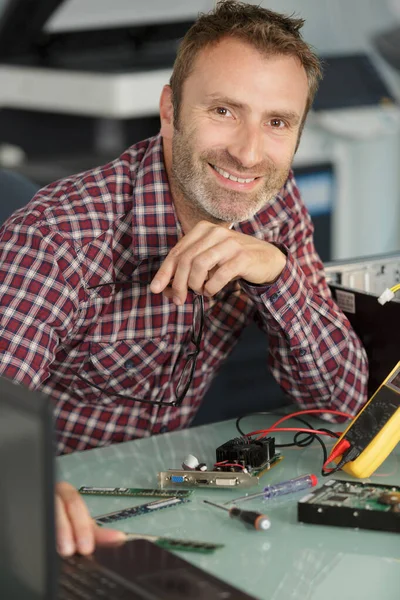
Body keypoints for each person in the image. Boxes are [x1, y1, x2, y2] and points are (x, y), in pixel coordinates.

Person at [0, 1, 368, 556]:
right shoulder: (61, 237)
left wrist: (277, 275)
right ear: (170, 108)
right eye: (224, 110)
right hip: (57, 511)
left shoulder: (274, 206)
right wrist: (21, 489)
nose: (248, 154)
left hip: (164, 495)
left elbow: (342, 401)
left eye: (277, 122)